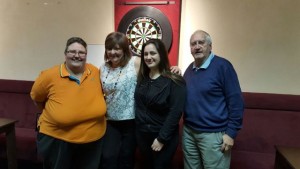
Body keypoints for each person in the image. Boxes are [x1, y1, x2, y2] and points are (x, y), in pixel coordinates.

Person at [99, 32, 182, 169]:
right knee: (108, 157)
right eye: (109, 48)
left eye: (117, 48)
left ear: (124, 49)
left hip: (132, 121)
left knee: (127, 157)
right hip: (110, 121)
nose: (113, 52)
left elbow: (156, 68)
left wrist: (174, 69)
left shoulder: (135, 62)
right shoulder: (103, 68)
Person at [30, 37, 107, 169]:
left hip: (93, 140)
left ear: (86, 55)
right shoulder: (48, 76)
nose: (77, 55)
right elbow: (36, 98)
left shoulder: (94, 72)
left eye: (81, 52)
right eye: (72, 51)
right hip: (58, 140)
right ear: (65, 54)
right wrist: (58, 114)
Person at [182, 30, 244, 169]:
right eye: (193, 44)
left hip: (214, 136)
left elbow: (236, 102)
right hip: (189, 133)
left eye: (201, 42)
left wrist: (231, 133)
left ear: (210, 46)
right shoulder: (189, 70)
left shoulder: (223, 66)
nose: (197, 46)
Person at [134, 39, 186, 169]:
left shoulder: (175, 80)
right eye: (145, 54)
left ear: (161, 54)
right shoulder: (142, 78)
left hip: (163, 137)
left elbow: (175, 112)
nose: (148, 57)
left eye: (153, 53)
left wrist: (161, 139)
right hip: (142, 135)